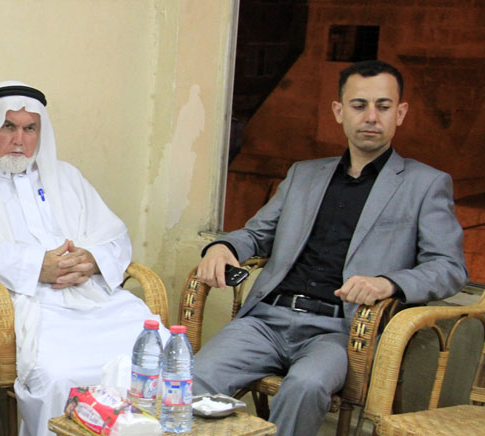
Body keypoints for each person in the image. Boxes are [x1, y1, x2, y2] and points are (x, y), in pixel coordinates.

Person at [193, 60, 467, 436]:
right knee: (196, 376)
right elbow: (256, 234)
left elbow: (449, 267)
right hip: (267, 320)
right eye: (359, 105)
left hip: (340, 331)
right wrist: (222, 246)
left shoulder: (425, 184)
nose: (371, 117)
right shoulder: (303, 175)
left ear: (400, 113)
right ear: (339, 111)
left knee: (305, 386)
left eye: (383, 106)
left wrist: (388, 282)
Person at [0, 81, 160, 436]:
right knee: (60, 374)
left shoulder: (67, 177)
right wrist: (33, 266)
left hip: (93, 299)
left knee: (157, 352)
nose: (19, 140)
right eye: (8, 126)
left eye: (30, 129)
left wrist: (92, 259)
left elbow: (115, 234)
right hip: (20, 305)